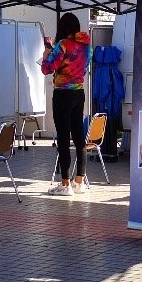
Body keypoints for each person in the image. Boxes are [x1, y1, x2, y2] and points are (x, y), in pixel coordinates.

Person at [41, 12, 90, 195]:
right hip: (79, 92)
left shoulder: (62, 45)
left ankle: (65, 184)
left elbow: (47, 68)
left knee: (63, 137)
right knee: (79, 136)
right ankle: (80, 181)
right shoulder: (86, 46)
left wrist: (47, 55)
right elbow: (84, 68)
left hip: (62, 94)